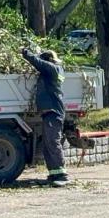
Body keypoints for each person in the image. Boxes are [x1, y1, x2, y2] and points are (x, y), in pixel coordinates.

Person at [21, 47, 70, 187]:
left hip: (53, 112)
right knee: (48, 144)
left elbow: (38, 62)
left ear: (48, 60)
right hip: (51, 112)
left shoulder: (52, 69)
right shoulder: (55, 70)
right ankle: (54, 172)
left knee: (53, 142)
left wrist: (26, 52)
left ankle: (62, 175)